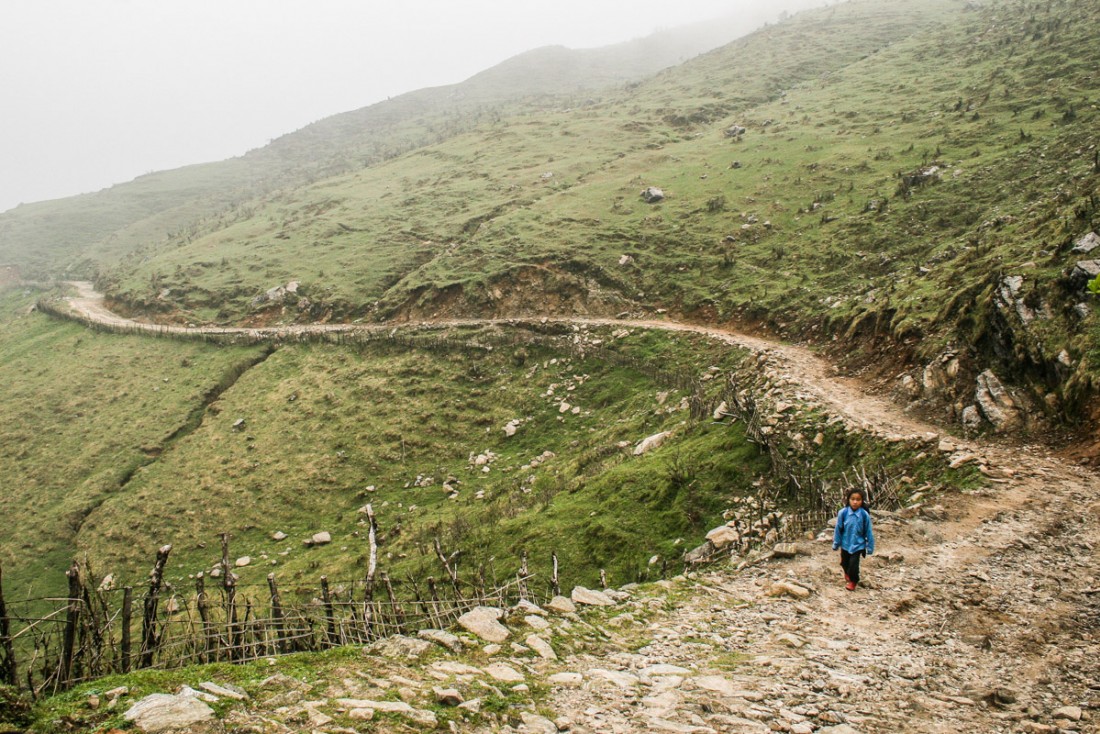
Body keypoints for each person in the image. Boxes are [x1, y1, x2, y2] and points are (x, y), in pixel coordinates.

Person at [832, 488, 874, 591]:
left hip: (858, 545)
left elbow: (868, 531)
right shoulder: (843, 513)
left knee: (854, 566)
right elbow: (838, 529)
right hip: (845, 544)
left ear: (862, 501)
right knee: (845, 563)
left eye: (858, 499)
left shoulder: (864, 515)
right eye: (853, 499)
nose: (855, 502)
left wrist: (870, 547)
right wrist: (836, 543)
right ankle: (847, 573)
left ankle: (853, 581)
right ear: (848, 500)